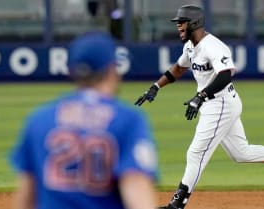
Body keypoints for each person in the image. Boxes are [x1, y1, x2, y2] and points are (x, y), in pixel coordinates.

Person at [134, 5, 264, 209]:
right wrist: (156, 86)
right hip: (217, 103)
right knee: (241, 153)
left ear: (194, 23)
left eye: (182, 22)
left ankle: (177, 204)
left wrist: (200, 96)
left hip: (220, 104)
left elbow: (226, 73)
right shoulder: (190, 46)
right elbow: (178, 68)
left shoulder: (213, 46)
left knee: (196, 153)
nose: (178, 26)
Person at [9, 32, 158, 209]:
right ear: (112, 69)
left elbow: (26, 198)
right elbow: (136, 188)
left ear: (71, 71)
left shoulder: (38, 120)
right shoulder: (127, 120)